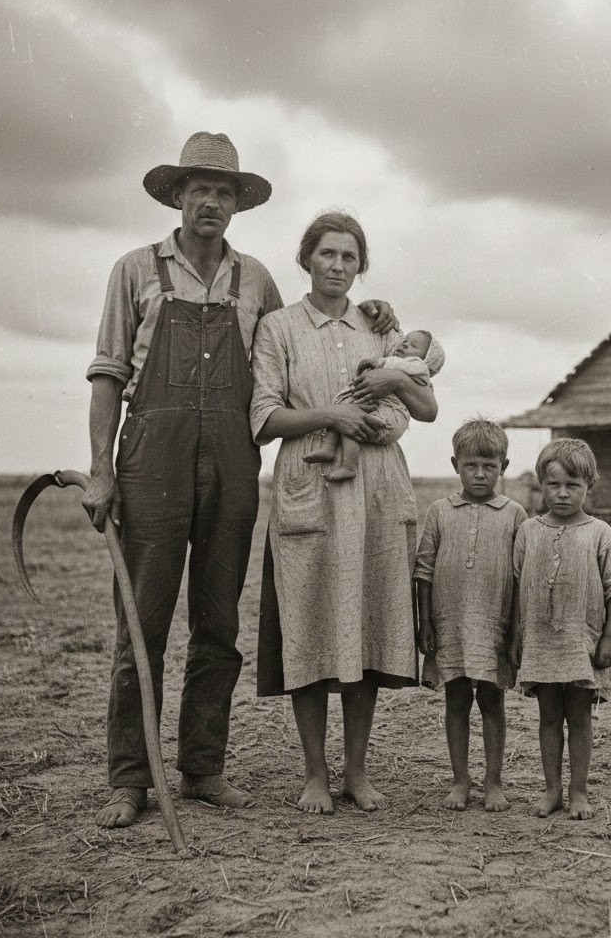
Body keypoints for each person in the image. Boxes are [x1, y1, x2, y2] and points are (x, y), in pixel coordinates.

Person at [82, 135, 398, 829]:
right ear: (177, 195)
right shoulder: (133, 270)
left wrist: (376, 315)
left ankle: (202, 768)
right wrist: (102, 470)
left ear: (237, 205)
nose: (211, 202)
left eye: (223, 193)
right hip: (152, 460)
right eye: (199, 188)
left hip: (232, 460)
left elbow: (302, 340)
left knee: (218, 622)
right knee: (143, 620)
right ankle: (130, 779)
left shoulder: (256, 280)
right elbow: (108, 374)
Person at [250, 210, 438, 814]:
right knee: (309, 626)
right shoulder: (278, 327)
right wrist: (332, 416)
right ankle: (314, 774)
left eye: (349, 257)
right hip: (309, 483)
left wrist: (389, 389)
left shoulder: (381, 329)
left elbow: (420, 409)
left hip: (377, 487)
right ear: (306, 259)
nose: (337, 266)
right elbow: (264, 417)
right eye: (327, 254)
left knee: (366, 629)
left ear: (362, 267)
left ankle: (356, 772)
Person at [509, 438, 611, 819]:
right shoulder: (529, 531)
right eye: (553, 485)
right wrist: (516, 635)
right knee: (548, 716)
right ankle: (552, 790)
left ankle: (579, 791)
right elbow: (517, 584)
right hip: (540, 640)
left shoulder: (599, 532)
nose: (562, 494)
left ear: (589, 486)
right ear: (541, 485)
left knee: (579, 716)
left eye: (572, 485)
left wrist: (609, 637)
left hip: (582, 642)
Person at [414, 416, 526, 811]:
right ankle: (460, 781)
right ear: (455, 465)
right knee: (456, 700)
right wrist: (425, 623)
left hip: (494, 625)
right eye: (470, 465)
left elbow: (521, 577)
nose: (479, 474)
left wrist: (515, 633)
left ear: (503, 467)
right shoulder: (439, 512)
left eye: (489, 466)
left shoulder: (515, 514)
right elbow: (424, 571)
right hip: (451, 626)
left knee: (493, 702)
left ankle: (493, 782)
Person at [305, 328, 445, 480]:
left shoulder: (418, 367)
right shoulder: (402, 364)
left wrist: (380, 362)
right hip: (380, 408)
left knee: (352, 422)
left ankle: (349, 466)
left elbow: (403, 366)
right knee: (342, 414)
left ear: (427, 360)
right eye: (404, 341)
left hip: (391, 414)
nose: (404, 345)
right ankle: (328, 447)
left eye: (413, 346)